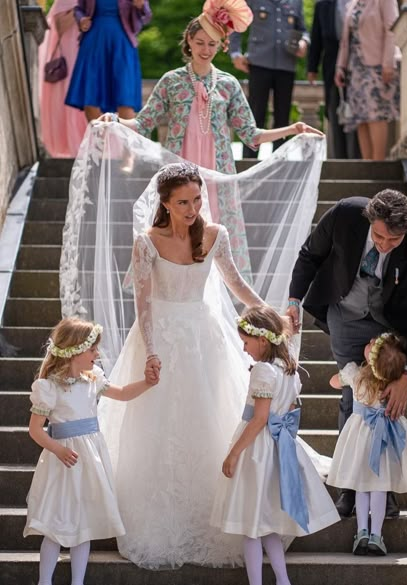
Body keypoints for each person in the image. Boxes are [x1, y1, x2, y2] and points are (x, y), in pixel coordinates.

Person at [96, 162, 278, 569]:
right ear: (165, 203)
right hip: (159, 335)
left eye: (197, 198)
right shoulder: (146, 242)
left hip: (202, 336)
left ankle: (219, 511)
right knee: (156, 426)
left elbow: (235, 283)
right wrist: (152, 349)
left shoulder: (215, 235)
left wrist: (269, 312)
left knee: (207, 416)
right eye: (183, 202)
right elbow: (142, 301)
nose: (193, 207)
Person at [102, 0, 322, 279]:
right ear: (189, 43)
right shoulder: (171, 81)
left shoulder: (229, 84)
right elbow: (144, 122)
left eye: (212, 44)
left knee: (212, 233)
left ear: (221, 46)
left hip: (217, 175)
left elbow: (251, 135)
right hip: (179, 169)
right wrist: (115, 120)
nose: (205, 49)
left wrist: (293, 129)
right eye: (200, 42)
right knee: (175, 232)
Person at [286, 189, 407, 518]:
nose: (384, 245)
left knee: (385, 401)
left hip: (391, 325)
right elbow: (310, 254)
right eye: (379, 236)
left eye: (393, 241)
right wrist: (294, 300)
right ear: (370, 220)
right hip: (345, 315)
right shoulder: (344, 214)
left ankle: (384, 486)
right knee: (352, 399)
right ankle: (349, 486)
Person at [24, 317, 158, 585]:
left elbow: (121, 393)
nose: (97, 354)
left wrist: (147, 382)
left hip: (90, 461)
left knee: (83, 525)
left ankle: (78, 581)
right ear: (74, 351)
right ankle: (44, 581)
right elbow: (35, 430)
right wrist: (57, 450)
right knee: (55, 525)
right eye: (92, 349)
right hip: (64, 463)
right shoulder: (49, 388)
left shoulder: (92, 380)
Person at [211, 305, 340, 585]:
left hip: (256, 451)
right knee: (266, 522)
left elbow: (259, 419)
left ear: (262, 340)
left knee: (250, 527)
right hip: (277, 448)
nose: (244, 349)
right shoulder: (289, 370)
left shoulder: (263, 371)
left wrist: (233, 454)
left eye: (246, 343)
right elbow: (289, 411)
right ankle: (283, 579)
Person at [327, 333, 407, 555]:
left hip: (359, 438)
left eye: (371, 346)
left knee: (361, 487)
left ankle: (362, 532)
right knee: (379, 487)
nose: (368, 343)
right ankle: (376, 534)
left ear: (372, 360)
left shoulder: (356, 375)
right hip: (384, 441)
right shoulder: (394, 385)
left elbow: (334, 382)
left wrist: (344, 375)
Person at [229, 0, 311, 158]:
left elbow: (303, 30)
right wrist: (235, 53)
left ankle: (278, 162)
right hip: (259, 63)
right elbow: (236, 22)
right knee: (255, 114)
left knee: (283, 116)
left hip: (286, 65)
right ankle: (249, 162)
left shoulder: (296, 2)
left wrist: (304, 42)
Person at [334, 0, 400, 160]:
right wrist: (340, 66)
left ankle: (378, 166)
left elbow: (392, 29)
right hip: (355, 69)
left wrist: (388, 63)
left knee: (376, 115)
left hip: (377, 67)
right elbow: (345, 40)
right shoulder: (353, 3)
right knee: (360, 117)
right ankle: (367, 165)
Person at [65, 0, 152, 122]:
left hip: (122, 43)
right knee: (90, 95)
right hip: (94, 41)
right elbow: (79, 9)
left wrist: (141, 6)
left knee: (125, 96)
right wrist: (81, 19)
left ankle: (125, 140)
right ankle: (99, 138)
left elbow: (147, 16)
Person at [307, 0, 359, 159]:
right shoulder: (322, 5)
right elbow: (316, 38)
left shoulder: (359, 3)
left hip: (358, 65)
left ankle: (358, 158)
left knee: (358, 113)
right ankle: (340, 158)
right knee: (334, 111)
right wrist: (312, 68)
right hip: (331, 67)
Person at [38, 0, 88, 157]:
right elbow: (59, 26)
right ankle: (76, 146)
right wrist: (80, 10)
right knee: (73, 99)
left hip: (89, 52)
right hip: (71, 53)